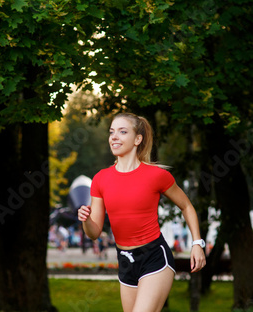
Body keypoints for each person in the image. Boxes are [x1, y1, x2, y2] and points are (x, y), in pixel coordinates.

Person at [78, 113, 206, 312]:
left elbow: (187, 206)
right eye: (111, 132)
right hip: (125, 261)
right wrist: (85, 220)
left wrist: (197, 243)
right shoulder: (100, 179)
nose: (114, 137)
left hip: (154, 257)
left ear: (138, 139)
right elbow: (94, 233)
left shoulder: (156, 176)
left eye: (122, 131)